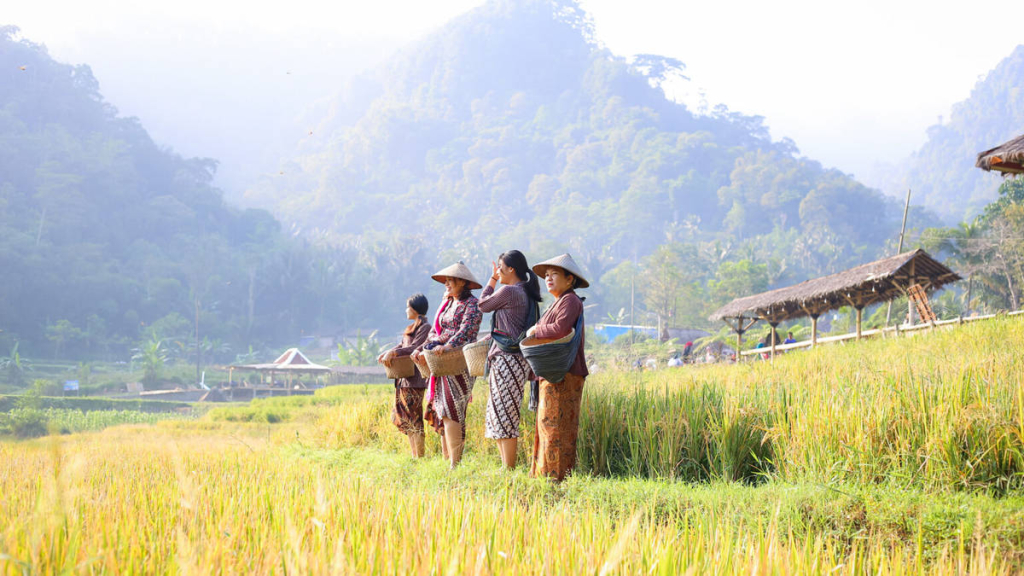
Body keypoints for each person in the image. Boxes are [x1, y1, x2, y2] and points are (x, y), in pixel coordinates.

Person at [411, 262, 482, 469]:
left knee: (453, 409)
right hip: (441, 361)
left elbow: (467, 330)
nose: (447, 284)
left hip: (458, 361)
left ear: (463, 282)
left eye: (451, 281)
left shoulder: (472, 305)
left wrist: (449, 345)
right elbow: (434, 332)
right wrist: (422, 348)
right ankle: (448, 459)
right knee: (442, 410)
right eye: (446, 281)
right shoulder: (448, 304)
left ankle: (455, 462)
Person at [525, 253, 589, 482]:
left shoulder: (570, 301)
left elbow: (561, 329)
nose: (548, 279)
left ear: (570, 280)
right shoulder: (558, 302)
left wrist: (535, 331)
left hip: (565, 373)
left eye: (554, 275)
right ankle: (545, 476)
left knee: (556, 428)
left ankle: (554, 480)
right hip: (552, 372)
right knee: (548, 425)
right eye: (547, 275)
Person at [478, 250, 542, 469]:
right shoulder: (523, 291)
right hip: (512, 360)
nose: (498, 271)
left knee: (504, 413)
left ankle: (509, 468)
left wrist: (492, 279)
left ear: (510, 269)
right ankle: (506, 467)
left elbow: (483, 305)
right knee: (500, 412)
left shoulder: (510, 291)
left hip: (508, 359)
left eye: (501, 268)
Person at [377, 294, 430, 458]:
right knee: (406, 418)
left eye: (408, 307)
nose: (406, 310)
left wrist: (394, 352)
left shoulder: (425, 328)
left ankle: (419, 456)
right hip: (403, 378)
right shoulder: (411, 328)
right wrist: (388, 351)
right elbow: (402, 345)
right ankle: (414, 454)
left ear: (414, 308)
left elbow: (415, 347)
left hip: (415, 379)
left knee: (415, 418)